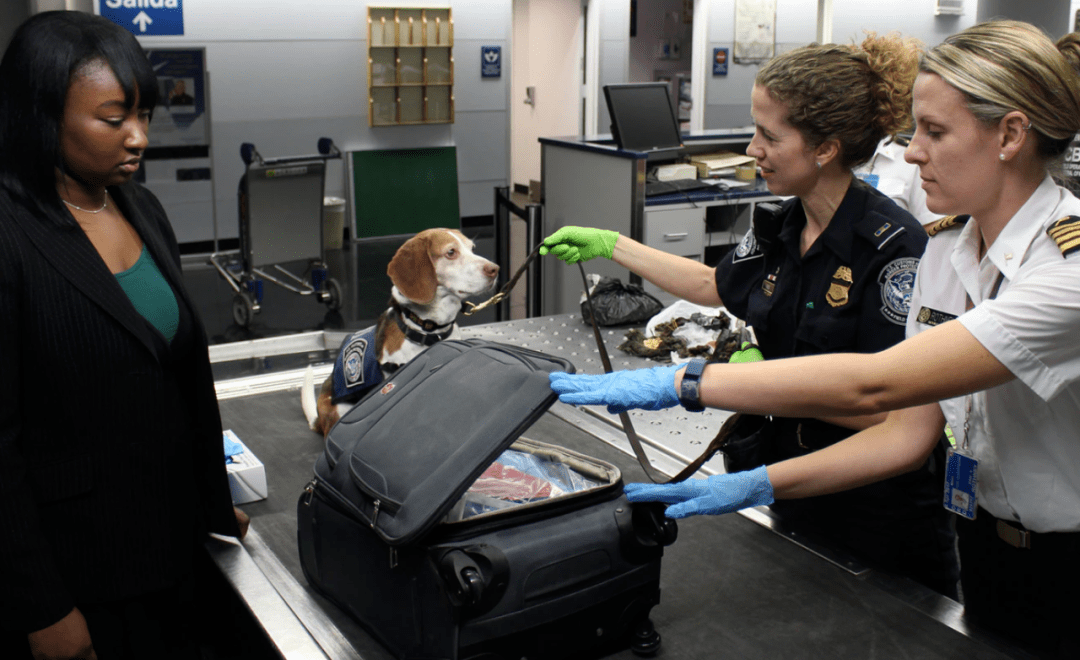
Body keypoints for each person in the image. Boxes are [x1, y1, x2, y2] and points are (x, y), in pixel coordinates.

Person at [549, 20, 1080, 658]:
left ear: (1012, 134)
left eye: (935, 133)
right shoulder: (950, 250)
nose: (911, 154)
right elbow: (909, 433)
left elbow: (876, 383)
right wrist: (757, 485)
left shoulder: (1066, 268)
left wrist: (687, 383)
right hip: (986, 542)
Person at [542, 34, 960, 597]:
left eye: (769, 135)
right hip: (788, 480)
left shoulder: (894, 251)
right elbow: (717, 285)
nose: (751, 148)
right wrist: (612, 243)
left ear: (825, 148)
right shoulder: (782, 224)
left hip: (870, 514)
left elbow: (891, 418)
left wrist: (745, 382)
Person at [0, 12, 248, 660]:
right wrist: (43, 607)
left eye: (144, 114)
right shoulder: (9, 233)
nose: (138, 137)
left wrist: (213, 512)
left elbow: (182, 381)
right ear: (41, 113)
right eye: (114, 120)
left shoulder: (139, 206)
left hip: (174, 550)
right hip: (83, 572)